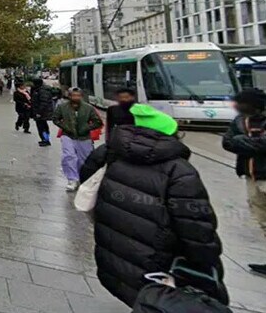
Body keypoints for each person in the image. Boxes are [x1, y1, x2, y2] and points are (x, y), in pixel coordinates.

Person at [80, 104, 228, 307]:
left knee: (132, 294)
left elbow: (87, 180)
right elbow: (196, 228)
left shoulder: (110, 152)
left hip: (114, 253)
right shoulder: (179, 171)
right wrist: (210, 269)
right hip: (156, 265)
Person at [222, 88, 266, 277]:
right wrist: (253, 141)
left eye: (241, 103)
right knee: (264, 221)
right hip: (251, 177)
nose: (237, 106)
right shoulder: (239, 121)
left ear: (253, 104)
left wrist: (241, 140)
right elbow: (227, 142)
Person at [52, 87, 102, 191]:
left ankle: (82, 177)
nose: (76, 98)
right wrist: (65, 127)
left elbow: (98, 122)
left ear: (81, 96)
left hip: (84, 137)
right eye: (73, 95)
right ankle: (72, 179)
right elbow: (55, 118)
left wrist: (86, 128)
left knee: (84, 159)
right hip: (67, 135)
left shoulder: (88, 108)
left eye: (78, 95)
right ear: (69, 96)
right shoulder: (62, 107)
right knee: (69, 156)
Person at [30, 78, 55, 147]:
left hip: (42, 113)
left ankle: (45, 140)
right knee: (43, 126)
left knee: (42, 127)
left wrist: (39, 112)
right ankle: (45, 139)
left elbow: (43, 103)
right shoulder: (39, 90)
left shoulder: (42, 91)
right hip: (42, 112)